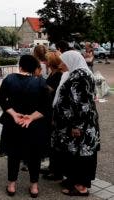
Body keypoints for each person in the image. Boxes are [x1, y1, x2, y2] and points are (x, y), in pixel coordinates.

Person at [0, 55, 52, 198]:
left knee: (13, 154)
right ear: (34, 68)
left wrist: (14, 114)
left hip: (13, 123)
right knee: (34, 156)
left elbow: (1, 99)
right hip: (33, 125)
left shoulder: (9, 79)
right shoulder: (40, 82)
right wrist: (31, 117)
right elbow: (46, 107)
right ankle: (34, 186)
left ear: (20, 66)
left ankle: (12, 185)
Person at [52, 50, 100, 196]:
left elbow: (83, 104)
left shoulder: (81, 76)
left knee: (82, 156)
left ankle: (81, 187)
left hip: (81, 125)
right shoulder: (77, 73)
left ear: (71, 61)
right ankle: (74, 181)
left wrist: (77, 126)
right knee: (75, 155)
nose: (60, 65)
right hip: (75, 123)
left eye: (62, 62)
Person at [41, 52, 63, 180]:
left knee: (54, 140)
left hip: (54, 110)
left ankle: (56, 170)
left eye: (47, 60)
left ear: (52, 62)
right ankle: (51, 167)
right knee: (51, 140)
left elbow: (49, 89)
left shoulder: (58, 75)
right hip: (49, 108)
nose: (45, 62)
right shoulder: (52, 73)